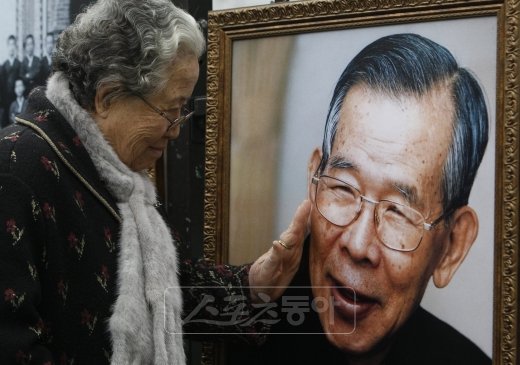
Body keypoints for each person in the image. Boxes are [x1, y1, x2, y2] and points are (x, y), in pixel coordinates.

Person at [0, 0, 310, 364]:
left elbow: (167, 294)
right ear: (108, 97)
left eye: (184, 111)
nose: (177, 130)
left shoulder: (116, 173)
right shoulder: (16, 170)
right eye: (169, 111)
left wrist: (256, 284)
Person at [229, 33, 491, 365]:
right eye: (343, 188)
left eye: (398, 211)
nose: (357, 244)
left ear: (453, 246)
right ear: (314, 182)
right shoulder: (241, 329)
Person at [2, 35, 21, 127]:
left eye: (13, 44)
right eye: (10, 44)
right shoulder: (3, 66)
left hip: (16, 99)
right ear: (7, 47)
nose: (11, 47)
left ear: (15, 47)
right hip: (5, 101)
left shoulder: (19, 64)